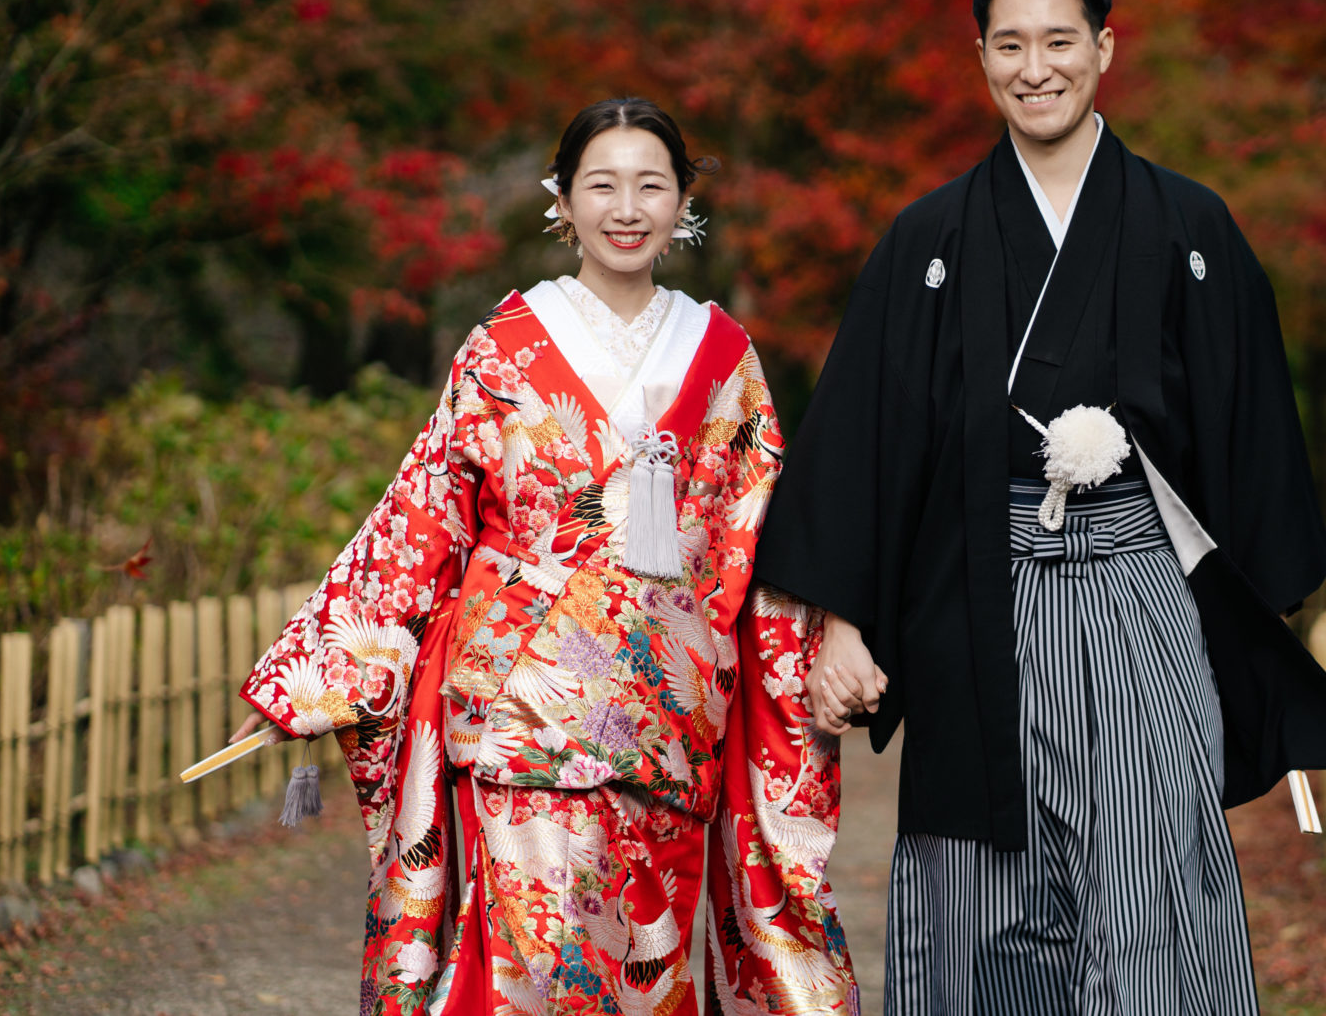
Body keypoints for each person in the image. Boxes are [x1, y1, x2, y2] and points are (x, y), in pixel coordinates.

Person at [753, 0, 1326, 1015]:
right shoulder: (928, 240)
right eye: (1008, 45)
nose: (1033, 67)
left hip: (1140, 585)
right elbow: (863, 437)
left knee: (1150, 873)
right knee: (977, 890)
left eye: (1057, 40)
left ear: (1103, 46)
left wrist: (1249, 615)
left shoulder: (1189, 227)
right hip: (972, 597)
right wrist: (845, 625)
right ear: (980, 57)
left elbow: (1254, 431)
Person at [233, 98, 858, 1016]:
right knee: (530, 960)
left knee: (648, 963)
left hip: (667, 710)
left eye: (651, 183)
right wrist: (315, 677)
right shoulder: (503, 346)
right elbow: (424, 515)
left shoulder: (727, 358)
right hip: (518, 703)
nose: (627, 206)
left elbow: (762, 536)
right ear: (562, 200)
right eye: (601, 184)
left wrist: (830, 636)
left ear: (684, 198)